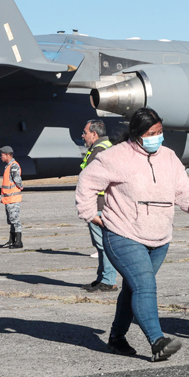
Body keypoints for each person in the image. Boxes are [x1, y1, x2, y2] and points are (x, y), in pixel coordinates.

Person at [76, 108, 189, 362]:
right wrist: (90, 213)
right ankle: (158, 341)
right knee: (145, 285)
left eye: (160, 132)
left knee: (134, 288)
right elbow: (87, 181)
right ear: (137, 134)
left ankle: (116, 338)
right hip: (122, 233)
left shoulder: (169, 157)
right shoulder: (115, 156)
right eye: (151, 133)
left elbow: (183, 189)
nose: (157, 138)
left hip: (159, 238)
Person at [78, 119, 116, 292]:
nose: (83, 135)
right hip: (102, 203)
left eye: (85, 132)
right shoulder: (106, 147)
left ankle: (108, 280)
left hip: (99, 204)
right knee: (101, 244)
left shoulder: (99, 150)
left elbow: (91, 179)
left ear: (94, 134)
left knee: (103, 244)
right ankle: (102, 278)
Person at [0, 146, 23, 249]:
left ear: (7, 155)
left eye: (2, 155)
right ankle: (12, 240)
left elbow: (17, 179)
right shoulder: (9, 166)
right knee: (11, 220)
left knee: (15, 220)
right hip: (8, 198)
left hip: (13, 198)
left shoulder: (13, 166)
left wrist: (20, 186)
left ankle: (18, 242)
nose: (1, 157)